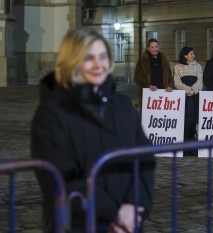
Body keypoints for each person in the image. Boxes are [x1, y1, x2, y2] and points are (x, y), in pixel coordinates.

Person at [31, 27, 156, 233]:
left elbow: (145, 158)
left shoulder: (123, 105)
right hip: (79, 225)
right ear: (72, 61)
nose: (98, 64)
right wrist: (115, 214)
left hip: (128, 224)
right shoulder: (50, 114)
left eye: (103, 56)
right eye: (89, 58)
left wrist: (135, 207)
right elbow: (61, 179)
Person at [173, 46, 203, 144]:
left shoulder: (198, 66)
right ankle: (184, 144)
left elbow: (200, 81)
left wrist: (194, 90)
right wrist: (187, 90)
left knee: (194, 118)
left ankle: (192, 144)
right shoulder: (177, 67)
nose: (193, 56)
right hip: (184, 96)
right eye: (191, 54)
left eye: (193, 54)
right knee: (185, 119)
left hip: (195, 96)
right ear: (185, 55)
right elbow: (177, 82)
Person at [134, 38, 173, 110]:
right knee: (148, 118)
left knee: (162, 116)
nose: (155, 49)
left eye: (156, 46)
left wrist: (170, 85)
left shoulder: (164, 59)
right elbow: (137, 78)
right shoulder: (143, 60)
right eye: (152, 47)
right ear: (148, 49)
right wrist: (148, 85)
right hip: (148, 94)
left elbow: (170, 76)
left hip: (163, 93)